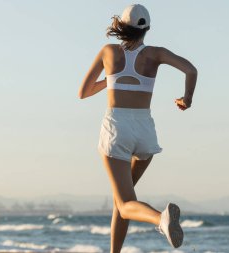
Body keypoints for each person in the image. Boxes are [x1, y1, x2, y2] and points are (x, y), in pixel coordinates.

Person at [78, 4, 197, 252]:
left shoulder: (108, 51)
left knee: (124, 203)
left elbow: (83, 92)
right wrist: (186, 98)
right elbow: (190, 69)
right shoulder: (156, 53)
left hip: (117, 128)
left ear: (122, 27)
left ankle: (160, 219)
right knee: (122, 200)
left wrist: (111, 79)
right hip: (144, 130)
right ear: (147, 29)